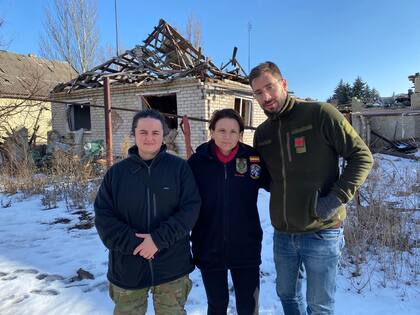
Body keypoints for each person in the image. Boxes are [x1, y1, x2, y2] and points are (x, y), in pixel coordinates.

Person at [249, 61, 373, 315]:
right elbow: (267, 177)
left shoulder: (320, 114)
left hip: (320, 232)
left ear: (283, 84)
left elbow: (362, 157)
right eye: (258, 93)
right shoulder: (262, 134)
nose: (266, 97)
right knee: (287, 295)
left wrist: (332, 200)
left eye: (269, 87)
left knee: (319, 306)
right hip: (283, 235)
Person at [94, 109, 201, 315]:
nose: (149, 138)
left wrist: (158, 240)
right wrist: (139, 245)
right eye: (143, 132)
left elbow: (190, 210)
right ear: (134, 134)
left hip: (172, 267)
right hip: (128, 268)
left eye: (155, 132)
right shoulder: (117, 174)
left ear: (163, 135)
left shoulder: (179, 169)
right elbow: (104, 217)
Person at [188, 108, 270, 315]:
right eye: (222, 130)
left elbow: (280, 185)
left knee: (248, 306)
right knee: (217, 305)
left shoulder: (253, 159)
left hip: (246, 247)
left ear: (240, 134)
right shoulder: (197, 162)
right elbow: (181, 199)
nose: (227, 136)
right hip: (209, 245)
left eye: (233, 132)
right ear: (212, 131)